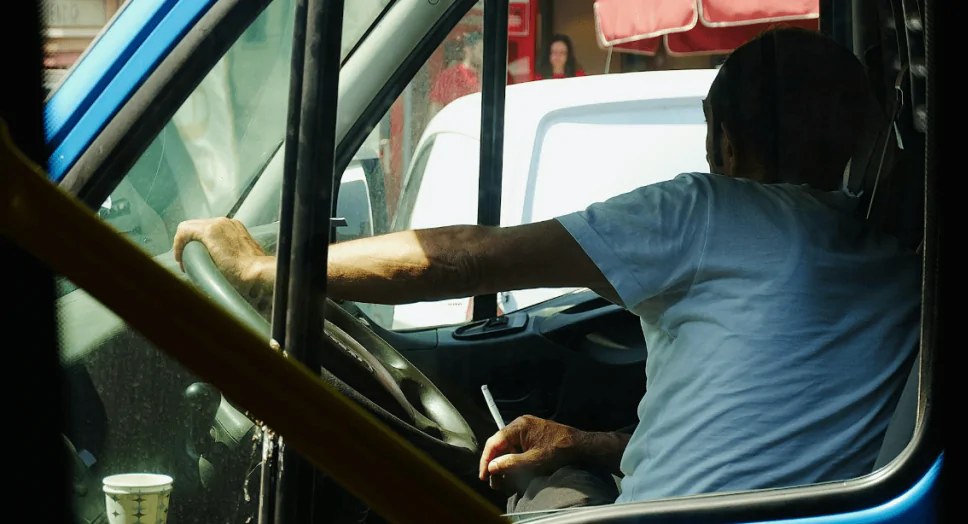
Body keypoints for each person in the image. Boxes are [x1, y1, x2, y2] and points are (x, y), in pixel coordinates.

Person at [172, 28, 920, 513]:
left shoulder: (710, 212)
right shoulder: (895, 271)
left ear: (725, 145)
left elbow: (464, 257)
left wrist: (269, 270)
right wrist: (584, 444)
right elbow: (757, 435)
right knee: (557, 478)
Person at [428, 31, 484, 118]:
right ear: (468, 49)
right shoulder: (449, 76)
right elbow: (435, 107)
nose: (483, 56)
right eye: (481, 51)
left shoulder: (486, 77)